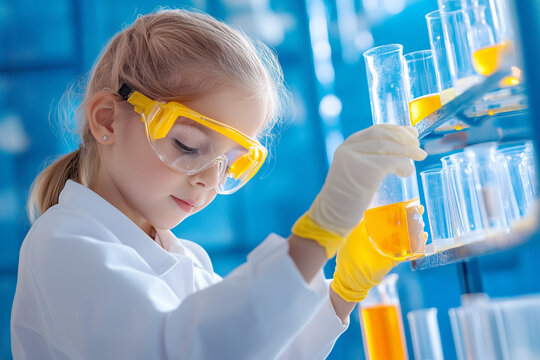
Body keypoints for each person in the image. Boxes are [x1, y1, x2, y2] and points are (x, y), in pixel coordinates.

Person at [10, 8, 427, 360]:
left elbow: (256, 346)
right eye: (189, 145)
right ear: (107, 120)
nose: (210, 178)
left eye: (231, 165)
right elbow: (182, 350)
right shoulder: (63, 243)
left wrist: (343, 289)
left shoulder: (185, 258)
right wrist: (315, 237)